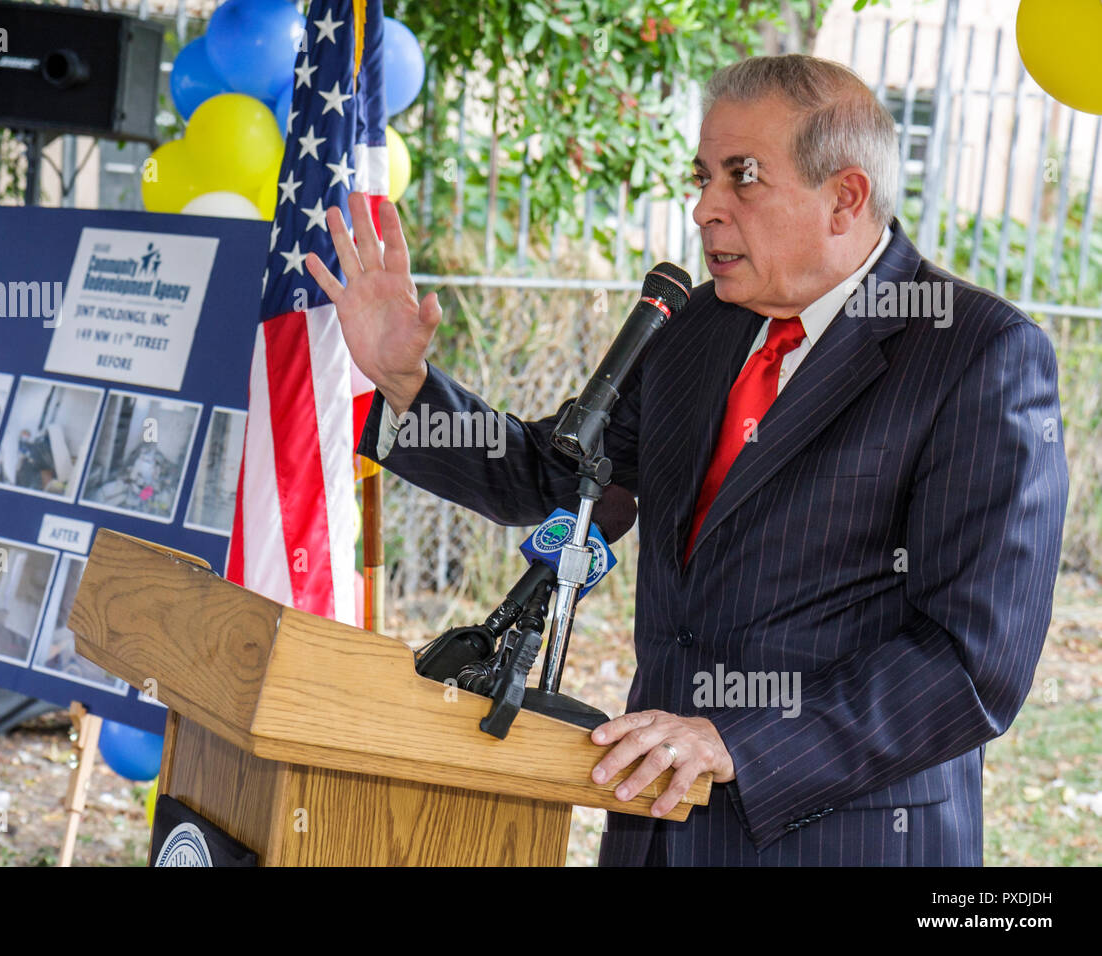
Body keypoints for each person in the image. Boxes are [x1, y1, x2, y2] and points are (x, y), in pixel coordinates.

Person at [305, 54, 1069, 866]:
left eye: (743, 178)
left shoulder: (978, 353)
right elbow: (556, 475)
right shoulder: (697, 325)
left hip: (844, 837)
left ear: (845, 197)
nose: (705, 207)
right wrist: (404, 381)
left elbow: (971, 664)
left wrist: (737, 739)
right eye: (703, 176)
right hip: (655, 826)